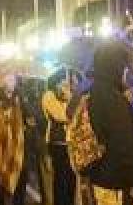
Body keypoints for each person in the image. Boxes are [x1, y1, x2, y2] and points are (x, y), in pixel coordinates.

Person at [83, 41, 133, 205]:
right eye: (123, 66)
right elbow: (126, 145)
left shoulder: (94, 91)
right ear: (114, 66)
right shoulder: (113, 99)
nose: (125, 72)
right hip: (116, 180)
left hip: (99, 175)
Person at [0, 74, 27, 205]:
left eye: (13, 80)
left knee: (19, 181)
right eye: (8, 79)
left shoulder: (20, 98)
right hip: (0, 146)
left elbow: (31, 116)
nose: (11, 82)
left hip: (18, 147)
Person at [42, 69, 75, 205]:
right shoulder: (49, 96)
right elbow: (61, 116)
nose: (68, 84)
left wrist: (69, 97)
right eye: (64, 81)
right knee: (61, 179)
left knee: (71, 179)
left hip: (70, 143)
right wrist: (68, 98)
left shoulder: (69, 96)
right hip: (57, 143)